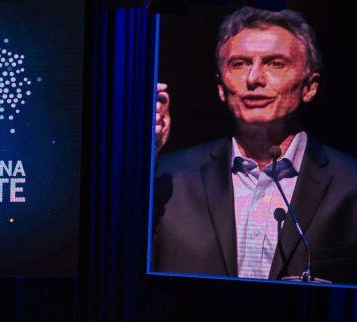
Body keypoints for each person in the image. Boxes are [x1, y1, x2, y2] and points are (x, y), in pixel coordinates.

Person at [153, 7, 357, 284]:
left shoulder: (351, 184)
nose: (254, 79)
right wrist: (142, 158)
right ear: (221, 88)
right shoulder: (166, 178)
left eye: (275, 63)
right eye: (239, 64)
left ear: (310, 86)